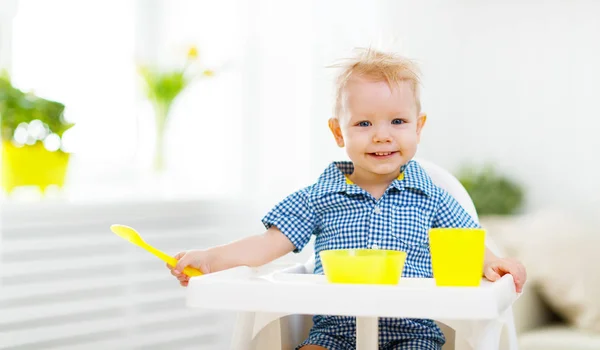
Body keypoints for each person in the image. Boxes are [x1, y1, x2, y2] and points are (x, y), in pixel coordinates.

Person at [167, 47, 527, 350]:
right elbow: (267, 243)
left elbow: (467, 245)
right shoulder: (319, 197)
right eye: (364, 124)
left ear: (419, 127)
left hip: (413, 333)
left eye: (398, 121)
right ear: (339, 132)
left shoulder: (432, 197)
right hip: (335, 332)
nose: (382, 136)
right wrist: (213, 258)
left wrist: (496, 264)